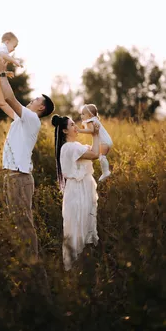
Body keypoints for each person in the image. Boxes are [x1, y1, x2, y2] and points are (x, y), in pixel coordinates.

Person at [0, 54, 55, 263]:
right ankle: (22, 262)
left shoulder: (31, 118)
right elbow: (1, 102)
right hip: (12, 176)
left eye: (36, 99)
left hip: (20, 177)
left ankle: (32, 265)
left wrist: (2, 73)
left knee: (24, 222)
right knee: (16, 221)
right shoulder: (22, 118)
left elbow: (10, 98)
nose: (31, 99)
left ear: (41, 108)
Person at [51, 114, 100, 271]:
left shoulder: (73, 146)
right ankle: (76, 271)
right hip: (78, 192)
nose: (76, 126)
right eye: (72, 125)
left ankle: (79, 270)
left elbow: (99, 150)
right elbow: (95, 154)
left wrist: (97, 133)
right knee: (78, 230)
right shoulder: (71, 148)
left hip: (79, 190)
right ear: (65, 130)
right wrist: (95, 134)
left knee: (79, 229)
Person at [77, 103, 113, 181]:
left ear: (90, 115)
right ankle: (105, 172)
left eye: (83, 114)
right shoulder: (94, 120)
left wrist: (80, 130)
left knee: (101, 156)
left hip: (103, 141)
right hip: (107, 140)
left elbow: (91, 130)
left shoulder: (90, 121)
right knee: (102, 156)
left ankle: (106, 172)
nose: (81, 116)